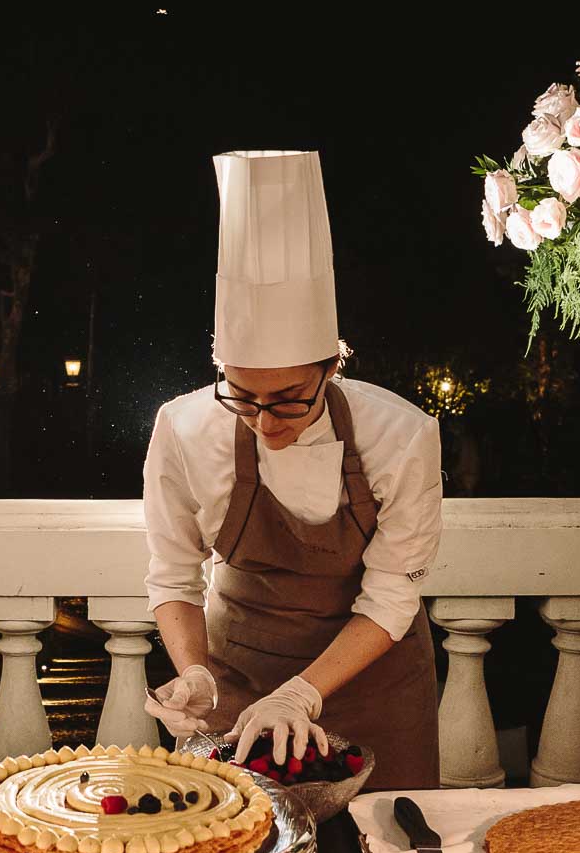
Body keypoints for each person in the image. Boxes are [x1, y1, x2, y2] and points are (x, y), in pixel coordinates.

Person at [141, 150, 444, 789]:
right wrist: (194, 672)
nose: (265, 422)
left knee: (383, 839)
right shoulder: (184, 428)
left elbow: (393, 594)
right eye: (242, 396)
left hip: (374, 685)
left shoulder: (400, 435)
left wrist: (301, 693)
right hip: (238, 682)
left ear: (331, 367)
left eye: (288, 400)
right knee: (236, 837)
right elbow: (173, 574)